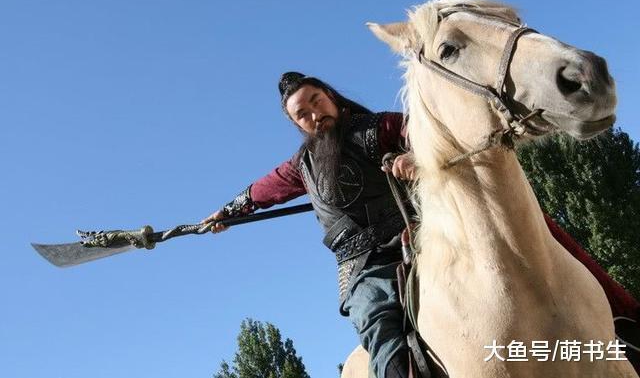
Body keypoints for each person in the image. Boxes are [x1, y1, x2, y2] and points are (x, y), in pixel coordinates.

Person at [202, 72, 640, 378]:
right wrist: (226, 213)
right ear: (298, 124)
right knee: (380, 328)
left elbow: (437, 141)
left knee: (527, 253)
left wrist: (417, 159)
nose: (314, 113)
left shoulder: (383, 127)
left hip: (427, 237)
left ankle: (620, 332)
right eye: (302, 113)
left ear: (330, 97)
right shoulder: (300, 166)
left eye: (316, 100)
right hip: (365, 265)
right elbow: (260, 192)